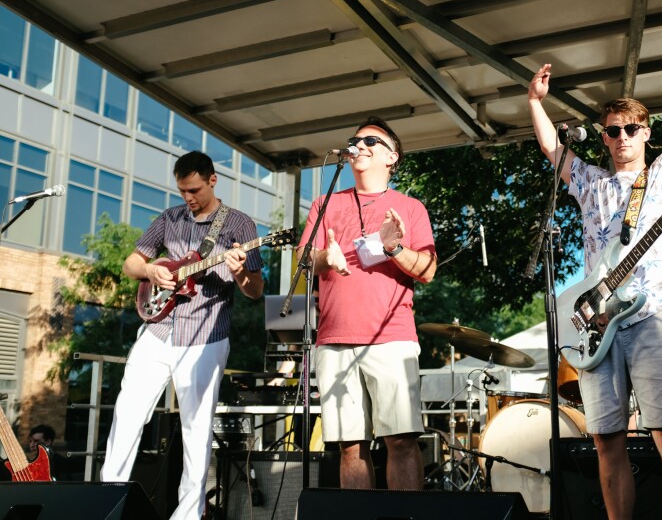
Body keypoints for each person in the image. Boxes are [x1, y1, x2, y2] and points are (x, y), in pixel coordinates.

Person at [528, 1, 662, 519]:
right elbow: (553, 150)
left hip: (654, 315)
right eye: (611, 131)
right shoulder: (590, 182)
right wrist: (535, 101)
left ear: (647, 132)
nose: (621, 139)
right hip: (599, 322)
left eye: (630, 129)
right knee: (605, 441)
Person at [101, 151, 264, 520]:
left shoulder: (239, 224)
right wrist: (150, 270)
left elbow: (255, 290)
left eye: (194, 190)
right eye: (182, 190)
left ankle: (188, 515)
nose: (188, 198)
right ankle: (108, 502)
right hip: (158, 329)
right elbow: (131, 262)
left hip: (206, 335)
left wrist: (239, 273)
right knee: (127, 414)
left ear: (212, 181)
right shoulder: (169, 218)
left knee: (196, 427)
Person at [297, 116, 437, 490]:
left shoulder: (410, 207)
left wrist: (394, 247)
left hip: (391, 337)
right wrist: (327, 257)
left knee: (402, 440)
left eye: (371, 141)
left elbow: (427, 270)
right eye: (355, 141)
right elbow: (304, 259)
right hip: (334, 338)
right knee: (349, 446)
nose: (359, 146)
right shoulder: (324, 203)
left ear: (392, 156)